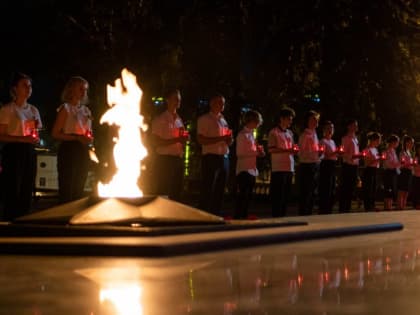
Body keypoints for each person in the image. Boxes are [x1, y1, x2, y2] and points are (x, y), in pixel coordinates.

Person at [0, 73, 42, 220]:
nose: (28, 88)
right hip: (13, 150)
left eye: (30, 85)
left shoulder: (33, 110)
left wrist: (35, 139)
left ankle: (24, 219)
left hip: (29, 151)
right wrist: (21, 139)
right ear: (15, 89)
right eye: (24, 85)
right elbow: (1, 135)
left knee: (27, 186)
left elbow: (37, 133)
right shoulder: (7, 110)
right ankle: (9, 220)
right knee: (12, 187)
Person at [51, 76, 93, 203]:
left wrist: (89, 139)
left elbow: (89, 131)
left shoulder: (86, 111)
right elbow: (55, 133)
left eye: (85, 89)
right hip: (69, 148)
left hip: (82, 149)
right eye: (80, 88)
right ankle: (64, 215)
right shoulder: (66, 109)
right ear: (71, 90)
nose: (83, 92)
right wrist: (76, 137)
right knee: (67, 184)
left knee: (80, 183)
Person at [197, 94, 233, 216]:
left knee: (220, 189)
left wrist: (228, 140)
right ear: (211, 104)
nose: (222, 105)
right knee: (208, 187)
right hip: (210, 157)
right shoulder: (204, 119)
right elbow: (201, 140)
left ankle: (216, 214)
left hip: (223, 156)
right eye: (219, 102)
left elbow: (226, 139)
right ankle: (203, 215)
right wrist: (221, 138)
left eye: (223, 103)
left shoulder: (223, 120)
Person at [151, 89, 189, 201]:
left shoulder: (179, 120)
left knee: (176, 192)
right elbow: (156, 142)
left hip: (177, 158)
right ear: (168, 100)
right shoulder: (160, 119)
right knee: (163, 191)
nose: (178, 101)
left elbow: (181, 138)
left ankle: (174, 217)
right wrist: (177, 139)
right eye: (175, 99)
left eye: (179, 99)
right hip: (164, 160)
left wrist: (184, 140)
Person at [234, 110, 264, 219]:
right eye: (256, 122)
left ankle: (244, 216)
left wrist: (259, 152)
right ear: (250, 121)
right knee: (242, 197)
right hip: (243, 170)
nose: (257, 125)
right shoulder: (242, 135)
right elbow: (240, 153)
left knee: (247, 198)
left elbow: (251, 151)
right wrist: (256, 152)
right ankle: (239, 218)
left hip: (251, 169)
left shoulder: (251, 135)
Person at [267, 107, 296, 217]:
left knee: (285, 196)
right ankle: (276, 218)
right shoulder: (273, 132)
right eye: (289, 119)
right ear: (282, 119)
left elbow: (291, 148)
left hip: (289, 167)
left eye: (291, 119)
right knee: (278, 196)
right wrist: (287, 150)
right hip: (278, 168)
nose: (290, 121)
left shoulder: (290, 133)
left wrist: (293, 150)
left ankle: (283, 217)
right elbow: (271, 149)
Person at [297, 110, 321, 216]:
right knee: (306, 193)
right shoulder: (305, 136)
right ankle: (303, 215)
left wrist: (320, 154)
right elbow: (302, 153)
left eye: (316, 119)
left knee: (312, 192)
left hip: (315, 164)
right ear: (307, 121)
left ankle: (309, 214)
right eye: (313, 119)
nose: (315, 122)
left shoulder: (315, 135)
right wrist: (316, 153)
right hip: (307, 165)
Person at [338, 119, 363, 213]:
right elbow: (344, 153)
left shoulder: (356, 139)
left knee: (351, 188)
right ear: (349, 126)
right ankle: (342, 209)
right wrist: (353, 156)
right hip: (347, 165)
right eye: (354, 125)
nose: (356, 127)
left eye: (356, 125)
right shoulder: (346, 138)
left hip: (354, 166)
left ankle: (347, 208)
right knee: (345, 187)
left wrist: (359, 155)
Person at [318, 120, 338, 214]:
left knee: (332, 187)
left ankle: (329, 208)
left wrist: (337, 154)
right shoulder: (322, 141)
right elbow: (322, 155)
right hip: (326, 165)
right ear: (324, 130)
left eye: (332, 128)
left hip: (333, 165)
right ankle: (323, 209)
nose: (331, 130)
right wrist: (334, 153)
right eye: (329, 128)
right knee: (326, 187)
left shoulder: (333, 142)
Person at [361, 132, 382, 211]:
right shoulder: (367, 149)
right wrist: (377, 160)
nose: (379, 142)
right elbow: (366, 163)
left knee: (373, 188)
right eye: (378, 140)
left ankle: (372, 205)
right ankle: (368, 206)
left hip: (375, 170)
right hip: (369, 170)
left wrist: (379, 160)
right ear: (373, 140)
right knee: (368, 189)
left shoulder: (375, 149)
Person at [383, 135, 400, 210]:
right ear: (393, 142)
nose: (397, 144)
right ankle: (387, 207)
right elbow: (388, 164)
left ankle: (389, 206)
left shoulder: (393, 151)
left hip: (394, 172)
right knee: (388, 190)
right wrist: (399, 163)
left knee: (392, 189)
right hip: (388, 172)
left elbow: (395, 162)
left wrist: (398, 165)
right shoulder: (387, 151)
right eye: (397, 142)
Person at [397, 135, 414, 210]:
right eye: (410, 143)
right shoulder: (402, 152)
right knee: (402, 190)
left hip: (409, 172)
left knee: (406, 190)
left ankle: (403, 205)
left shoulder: (409, 152)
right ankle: (400, 206)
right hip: (404, 172)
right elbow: (401, 164)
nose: (412, 144)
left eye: (412, 143)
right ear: (406, 143)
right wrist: (409, 164)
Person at [411, 144, 420, 210]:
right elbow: (414, 167)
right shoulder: (416, 157)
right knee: (417, 191)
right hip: (417, 176)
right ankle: (416, 204)